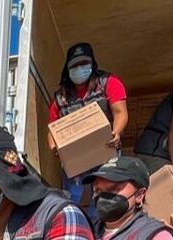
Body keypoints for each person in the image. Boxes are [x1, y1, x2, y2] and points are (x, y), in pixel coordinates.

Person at [47, 42, 129, 212]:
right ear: (68, 69)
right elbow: (52, 129)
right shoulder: (61, 97)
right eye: (74, 65)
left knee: (103, 196)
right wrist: (56, 148)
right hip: (76, 157)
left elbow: (120, 112)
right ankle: (71, 223)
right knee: (71, 197)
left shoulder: (109, 83)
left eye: (83, 63)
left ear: (92, 63)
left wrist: (116, 132)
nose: (79, 68)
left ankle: (99, 231)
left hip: (105, 150)